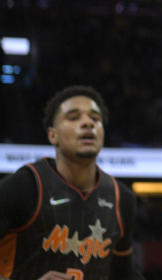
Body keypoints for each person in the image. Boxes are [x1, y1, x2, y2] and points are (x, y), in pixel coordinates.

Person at [0, 85, 142, 280]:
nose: (88, 123)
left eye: (95, 119)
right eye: (74, 117)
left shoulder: (122, 199)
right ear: (53, 135)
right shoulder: (24, 186)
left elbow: (123, 274)